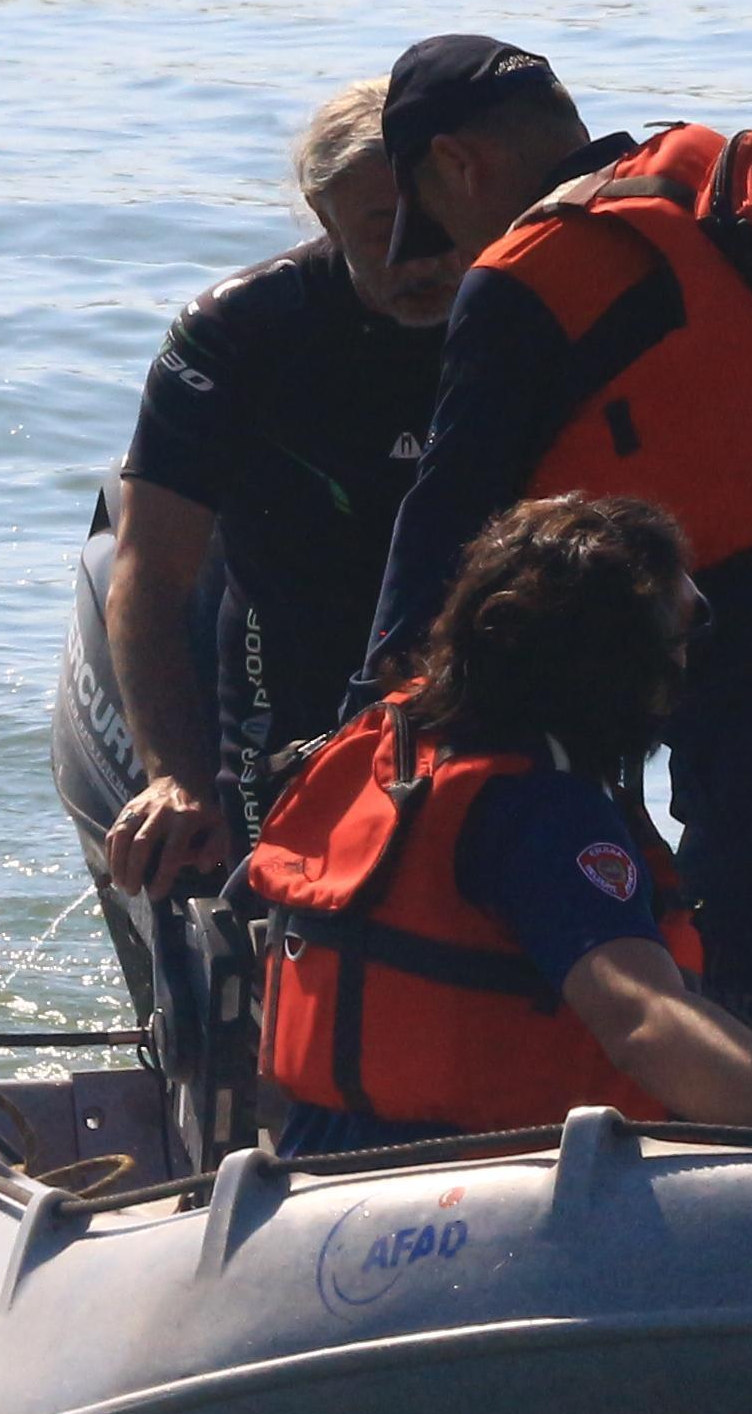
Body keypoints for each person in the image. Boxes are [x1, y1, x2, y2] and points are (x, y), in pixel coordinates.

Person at [342, 36, 752, 1079]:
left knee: (747, 1092)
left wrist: (362, 723)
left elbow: (445, 524)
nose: (453, 253)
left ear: (458, 166)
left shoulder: (529, 275)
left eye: (438, 222)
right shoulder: (731, 205)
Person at [252, 493, 752, 1157]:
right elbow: (642, 1019)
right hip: (472, 1194)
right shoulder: (543, 814)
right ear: (606, 661)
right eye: (675, 643)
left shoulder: (391, 753)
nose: (682, 668)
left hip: (320, 1172)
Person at [52, 76, 467, 1022]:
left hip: (466, 667)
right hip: (284, 667)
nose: (420, 257)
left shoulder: (522, 314)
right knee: (281, 955)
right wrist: (173, 776)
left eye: (440, 225)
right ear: (324, 213)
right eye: (383, 227)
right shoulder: (242, 330)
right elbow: (152, 569)